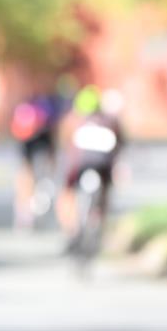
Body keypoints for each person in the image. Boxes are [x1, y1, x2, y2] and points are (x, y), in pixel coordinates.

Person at [56, 86, 123, 246]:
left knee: (66, 193)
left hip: (78, 166)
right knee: (105, 192)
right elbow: (120, 143)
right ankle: (100, 223)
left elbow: (65, 145)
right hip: (102, 165)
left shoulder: (72, 121)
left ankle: (71, 230)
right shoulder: (109, 121)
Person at [10, 91, 62, 228]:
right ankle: (26, 211)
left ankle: (24, 212)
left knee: (27, 177)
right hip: (34, 145)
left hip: (32, 145)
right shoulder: (45, 113)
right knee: (28, 178)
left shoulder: (34, 112)